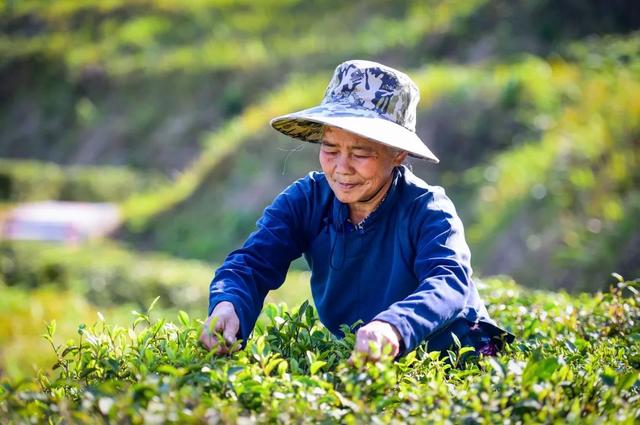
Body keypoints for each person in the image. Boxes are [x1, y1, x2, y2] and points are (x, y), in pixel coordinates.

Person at [199, 60, 514, 362]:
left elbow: (448, 282)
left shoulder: (429, 210)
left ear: (398, 154)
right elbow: (252, 262)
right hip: (364, 358)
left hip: (454, 355)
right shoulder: (307, 200)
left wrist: (394, 327)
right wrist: (229, 303)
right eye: (330, 149)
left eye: (360, 153)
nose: (341, 168)